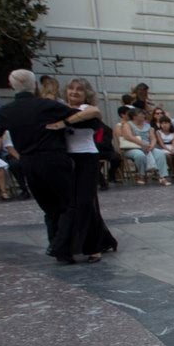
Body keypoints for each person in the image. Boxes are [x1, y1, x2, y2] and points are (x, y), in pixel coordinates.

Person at [0, 69, 100, 262]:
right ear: (35, 85)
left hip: (28, 162)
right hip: (54, 161)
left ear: (12, 86)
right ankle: (61, 247)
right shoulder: (47, 106)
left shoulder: (8, 110)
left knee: (50, 206)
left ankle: (60, 246)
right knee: (69, 204)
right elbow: (88, 118)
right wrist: (63, 122)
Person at [60, 79, 119, 260]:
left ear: (86, 94)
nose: (74, 92)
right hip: (66, 159)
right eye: (71, 88)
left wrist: (63, 122)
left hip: (86, 157)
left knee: (86, 202)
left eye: (79, 90)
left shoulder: (88, 109)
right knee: (70, 204)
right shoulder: (60, 107)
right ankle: (74, 245)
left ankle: (94, 246)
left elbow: (95, 112)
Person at [154, 113, 174, 180]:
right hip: (164, 147)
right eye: (162, 123)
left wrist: (173, 149)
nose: (164, 125)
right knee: (167, 156)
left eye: (166, 123)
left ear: (170, 124)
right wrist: (169, 150)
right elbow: (161, 143)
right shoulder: (158, 132)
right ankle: (172, 169)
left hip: (173, 146)